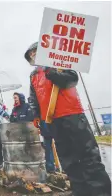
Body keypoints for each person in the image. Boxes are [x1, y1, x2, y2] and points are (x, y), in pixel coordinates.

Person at [26, 42, 111, 196]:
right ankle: (80, 190)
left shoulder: (58, 63)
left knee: (87, 155)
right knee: (68, 158)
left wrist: (54, 75)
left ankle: (100, 191)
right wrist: (36, 114)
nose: (33, 55)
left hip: (72, 115)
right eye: (31, 54)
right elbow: (33, 97)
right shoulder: (33, 76)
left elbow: (72, 78)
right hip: (53, 120)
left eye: (35, 52)